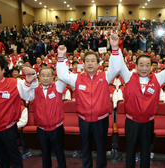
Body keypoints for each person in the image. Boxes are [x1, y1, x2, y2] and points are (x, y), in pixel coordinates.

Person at [56, 34, 121, 168]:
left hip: (101, 120)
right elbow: (62, 75)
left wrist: (114, 48)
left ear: (98, 64)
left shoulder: (105, 76)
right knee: (85, 148)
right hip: (84, 120)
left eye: (93, 61)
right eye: (87, 61)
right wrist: (61, 56)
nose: (90, 63)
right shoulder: (77, 78)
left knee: (101, 148)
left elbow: (115, 68)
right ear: (83, 64)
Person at [118, 44, 165, 167]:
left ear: (152, 67)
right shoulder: (129, 76)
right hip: (131, 122)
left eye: (147, 65)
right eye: (141, 64)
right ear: (135, 66)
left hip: (148, 123)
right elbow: (119, 63)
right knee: (130, 151)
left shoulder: (157, 78)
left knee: (145, 151)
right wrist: (115, 47)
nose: (144, 68)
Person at [21, 66, 67, 168]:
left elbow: (64, 76)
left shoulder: (58, 87)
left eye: (48, 76)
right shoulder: (35, 90)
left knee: (59, 153)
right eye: (43, 76)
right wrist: (28, 81)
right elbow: (25, 96)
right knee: (45, 153)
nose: (45, 78)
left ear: (53, 77)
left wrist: (61, 57)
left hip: (57, 128)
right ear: (39, 77)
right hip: (41, 129)